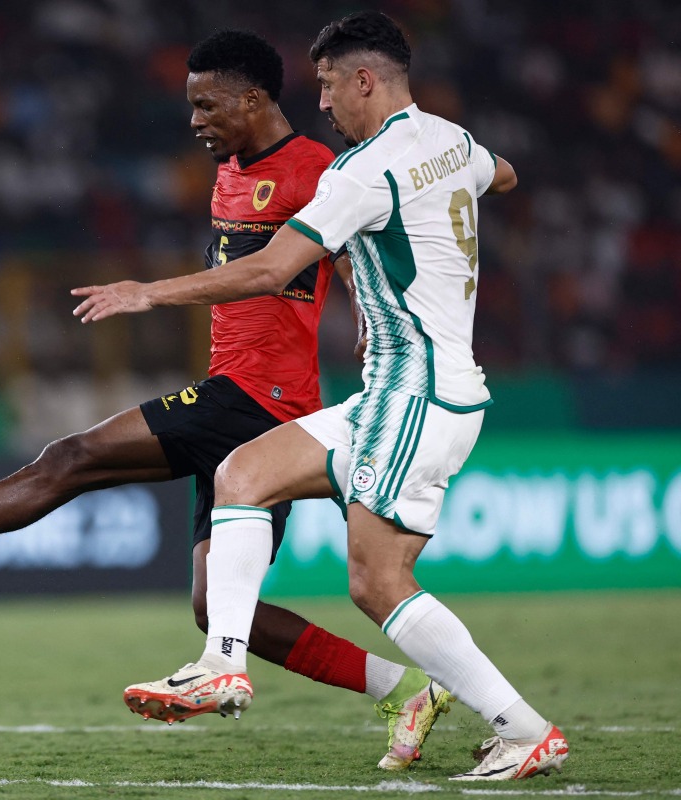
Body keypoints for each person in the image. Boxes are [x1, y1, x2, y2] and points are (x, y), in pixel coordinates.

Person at [0, 29, 452, 771]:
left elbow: (364, 246)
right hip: (246, 401)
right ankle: (407, 686)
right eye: (191, 106)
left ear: (253, 99)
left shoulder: (320, 169)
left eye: (208, 105)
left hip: (259, 401)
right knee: (214, 609)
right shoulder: (232, 172)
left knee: (71, 458)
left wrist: (376, 324)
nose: (194, 121)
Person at [72, 12, 568, 783]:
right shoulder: (453, 141)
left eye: (331, 85)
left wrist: (146, 293)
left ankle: (229, 665)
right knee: (248, 476)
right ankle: (225, 662)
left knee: (375, 581)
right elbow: (501, 175)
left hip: (415, 394)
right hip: (426, 390)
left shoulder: (361, 171)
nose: (324, 104)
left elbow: (271, 271)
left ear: (365, 80)